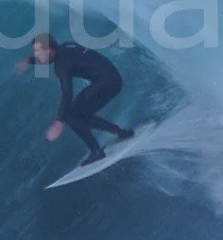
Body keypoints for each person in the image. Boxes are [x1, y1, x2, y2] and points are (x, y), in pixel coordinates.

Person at [15, 32, 134, 165]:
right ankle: (120, 132)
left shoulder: (61, 66)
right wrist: (30, 60)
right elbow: (49, 57)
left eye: (37, 51)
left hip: (105, 83)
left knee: (71, 116)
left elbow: (67, 93)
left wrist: (59, 121)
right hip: (113, 78)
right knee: (79, 113)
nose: (36, 54)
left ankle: (97, 151)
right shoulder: (66, 46)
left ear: (49, 50)